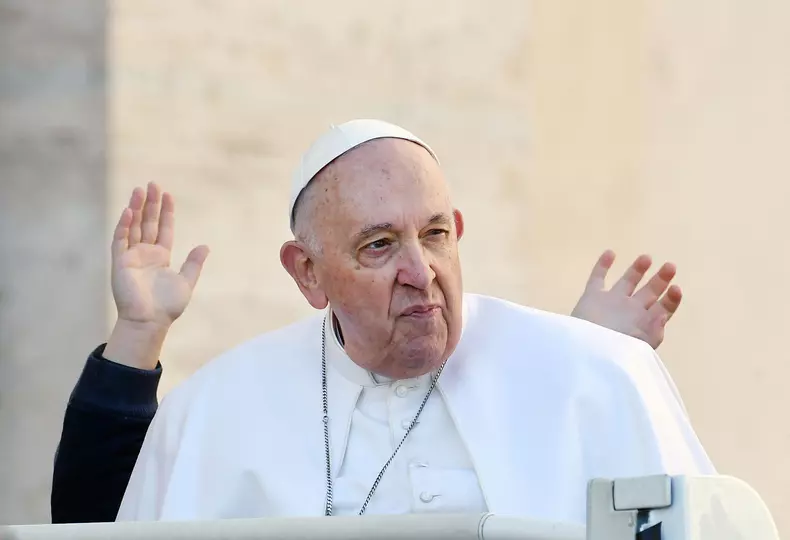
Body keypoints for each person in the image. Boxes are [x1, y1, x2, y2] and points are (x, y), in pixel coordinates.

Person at [54, 119, 706, 524]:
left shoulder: (594, 375)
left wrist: (579, 354)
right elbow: (94, 526)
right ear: (308, 274)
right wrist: (137, 334)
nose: (421, 273)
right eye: (379, 245)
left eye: (436, 234)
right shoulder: (216, 411)